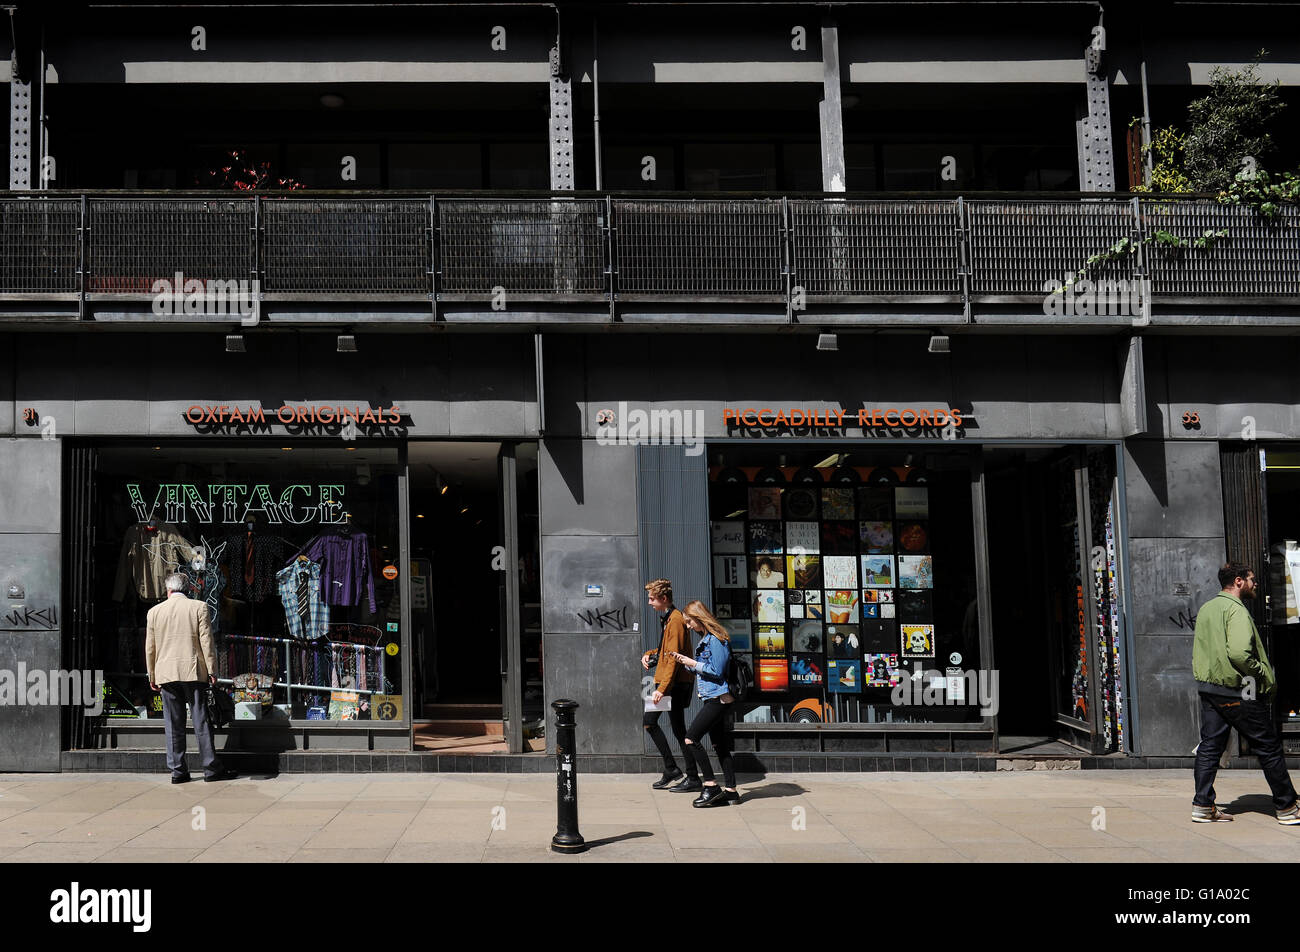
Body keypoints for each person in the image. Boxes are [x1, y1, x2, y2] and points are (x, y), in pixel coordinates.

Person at [1191, 562, 1299, 824]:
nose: (1255, 584)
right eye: (1252, 580)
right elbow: (1239, 653)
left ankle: (1203, 805)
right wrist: (1261, 671)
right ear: (1239, 581)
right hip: (1238, 690)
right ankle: (1287, 807)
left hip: (1210, 689)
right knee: (1268, 746)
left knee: (1210, 747)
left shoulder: (1207, 608)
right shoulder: (1236, 610)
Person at [146, 574, 237, 784]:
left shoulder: (154, 612)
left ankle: (178, 771)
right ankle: (211, 768)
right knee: (201, 721)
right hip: (193, 671)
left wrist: (152, 674)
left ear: (168, 591)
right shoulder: (199, 607)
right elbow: (207, 640)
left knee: (172, 724)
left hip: (166, 673)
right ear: (188, 589)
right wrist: (213, 670)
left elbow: (150, 647)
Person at [670, 599, 739, 808]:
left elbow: (716, 671)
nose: (689, 627)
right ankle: (731, 792)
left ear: (700, 618)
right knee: (719, 745)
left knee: (691, 739)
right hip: (713, 696)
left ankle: (711, 786)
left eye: (690, 622)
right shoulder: (707, 639)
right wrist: (685, 663)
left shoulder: (716, 639)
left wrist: (692, 663)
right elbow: (707, 668)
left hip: (719, 698)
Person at [642, 578, 700, 792]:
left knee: (651, 722)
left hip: (672, 683)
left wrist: (661, 689)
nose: (649, 603)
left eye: (652, 599)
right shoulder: (669, 618)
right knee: (676, 728)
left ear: (663, 599)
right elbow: (665, 651)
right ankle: (682, 772)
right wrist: (648, 655)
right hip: (668, 681)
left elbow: (674, 658)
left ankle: (680, 771)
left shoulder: (675, 620)